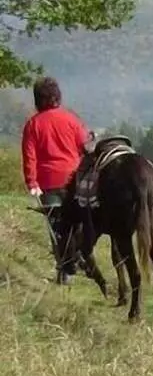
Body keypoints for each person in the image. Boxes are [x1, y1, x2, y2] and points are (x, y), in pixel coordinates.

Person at [21, 76, 89, 283]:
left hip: (48, 183)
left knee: (56, 228)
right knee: (76, 224)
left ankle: (64, 271)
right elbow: (85, 147)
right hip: (74, 180)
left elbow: (29, 156)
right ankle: (76, 259)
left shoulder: (33, 125)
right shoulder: (72, 119)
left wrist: (32, 182)